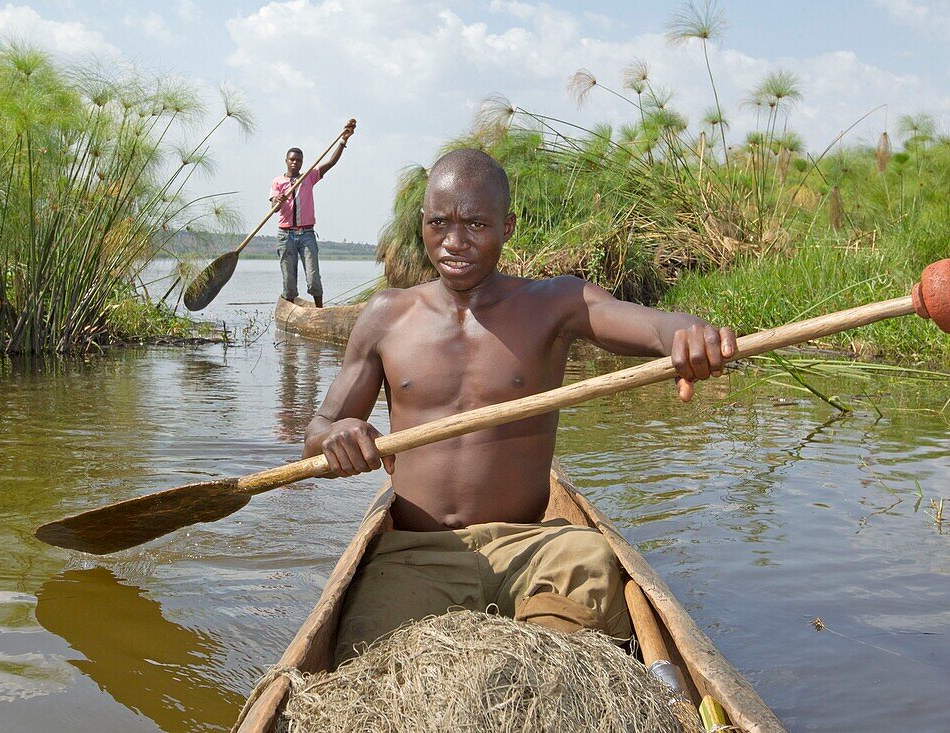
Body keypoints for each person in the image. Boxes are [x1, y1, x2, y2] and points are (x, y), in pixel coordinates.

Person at [302, 148, 737, 665]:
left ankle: (546, 668)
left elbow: (648, 324)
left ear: (507, 227)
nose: (455, 241)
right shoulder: (386, 315)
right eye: (439, 222)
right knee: (370, 653)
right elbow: (320, 428)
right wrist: (339, 437)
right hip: (416, 554)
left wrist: (685, 335)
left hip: (534, 548)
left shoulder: (553, 303)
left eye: (476, 224)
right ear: (422, 223)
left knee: (592, 561)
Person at [270, 119, 357, 308]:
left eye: (298, 160)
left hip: (307, 234)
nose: (295, 162)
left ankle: (319, 310)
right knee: (289, 282)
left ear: (302, 162)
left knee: (313, 278)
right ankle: (289, 312)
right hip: (285, 236)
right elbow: (274, 209)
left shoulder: (308, 176)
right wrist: (278, 200)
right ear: (286, 161)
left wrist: (343, 140)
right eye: (292, 159)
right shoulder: (277, 182)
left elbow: (331, 162)